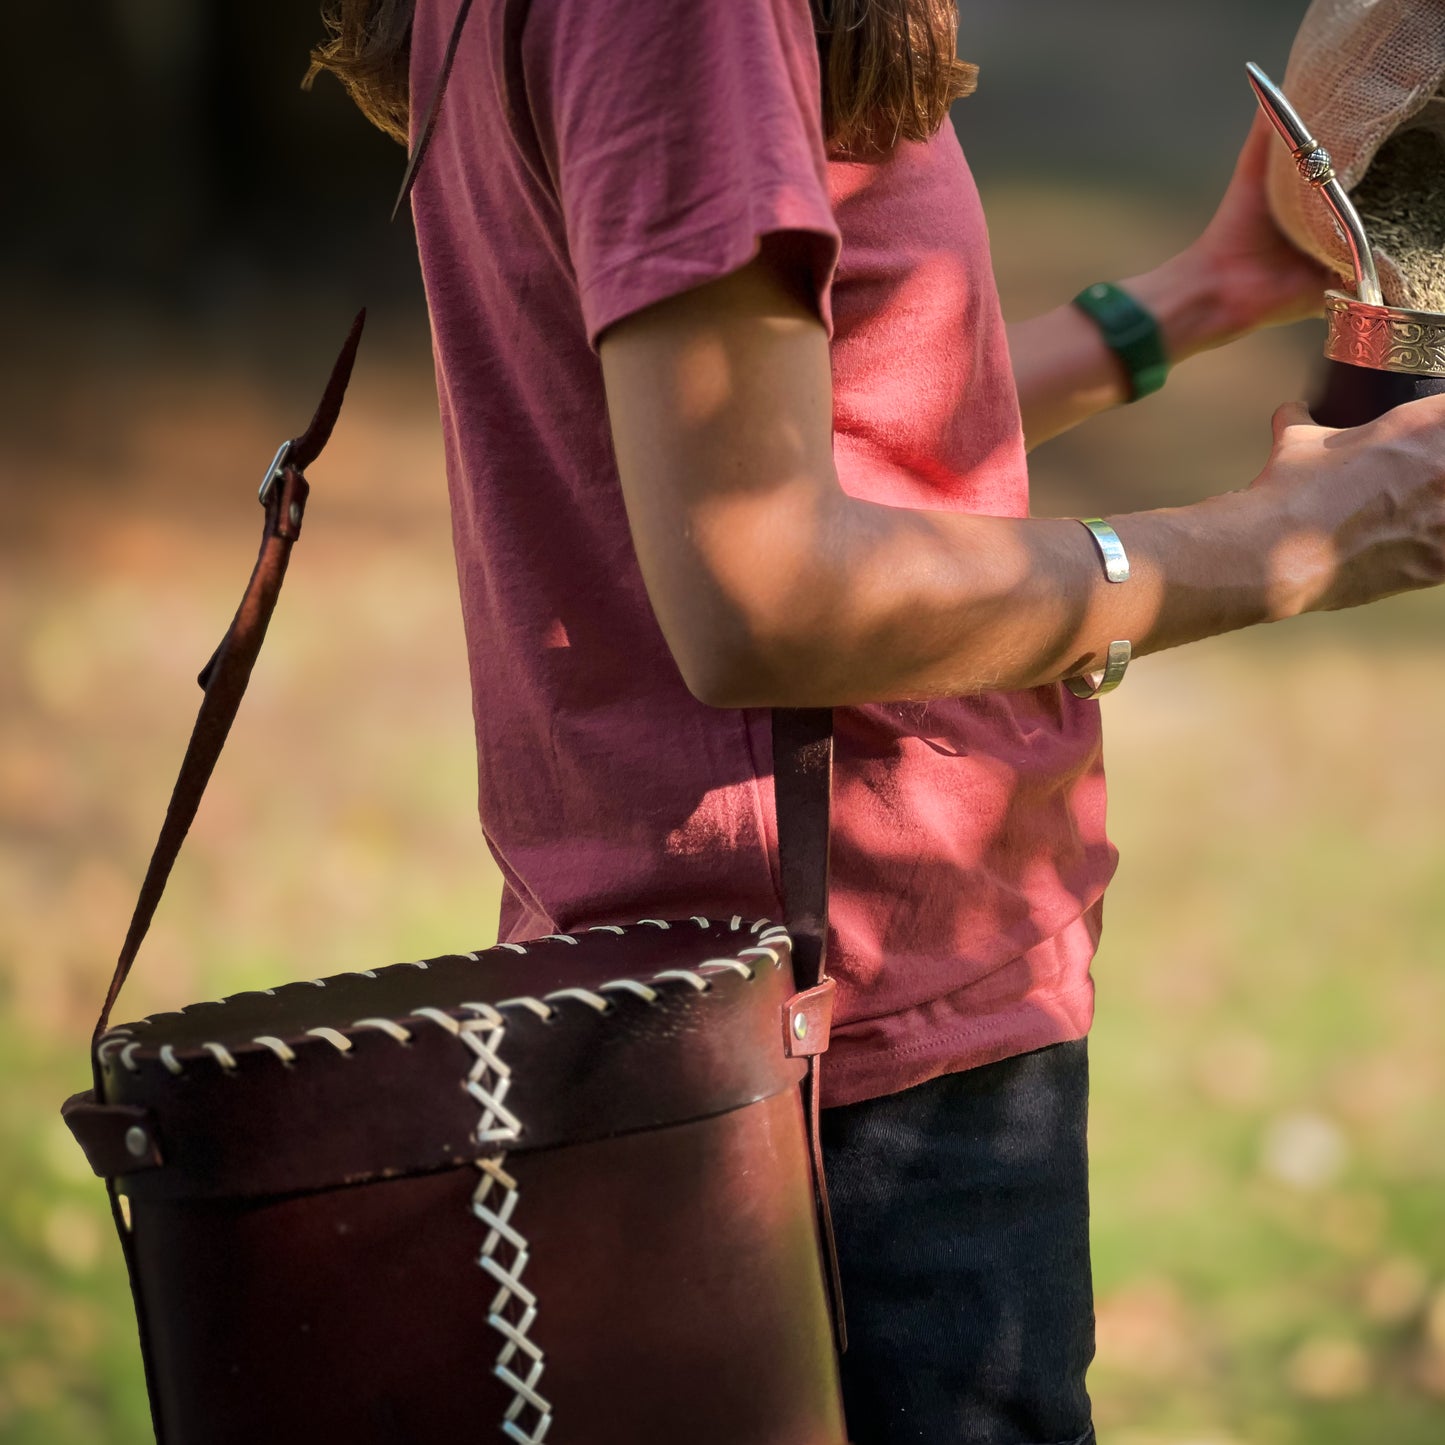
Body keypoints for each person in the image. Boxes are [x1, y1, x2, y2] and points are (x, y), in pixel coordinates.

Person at [309, 2, 1445, 1440]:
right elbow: (762, 588)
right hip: (844, 1053)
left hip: (739, 1007)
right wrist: (1284, 537)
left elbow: (798, 422)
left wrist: (1201, 292)